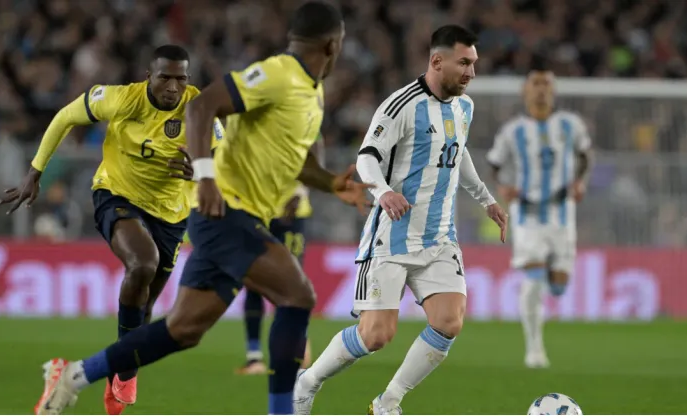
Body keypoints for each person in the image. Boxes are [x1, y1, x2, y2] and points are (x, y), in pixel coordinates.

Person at [33, 2, 371, 415]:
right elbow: (201, 106)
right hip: (225, 211)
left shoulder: (311, 95)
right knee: (297, 296)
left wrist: (333, 182)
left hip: (240, 218)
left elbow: (297, 163)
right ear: (334, 45)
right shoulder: (280, 74)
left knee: (183, 330)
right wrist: (206, 175)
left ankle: (74, 376)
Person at [294, 25, 509, 415]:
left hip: (440, 237)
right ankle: (307, 382)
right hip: (392, 238)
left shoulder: (465, 107)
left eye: (474, 64)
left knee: (449, 321)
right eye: (464, 63)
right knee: (376, 336)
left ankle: (388, 401)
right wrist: (383, 191)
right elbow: (366, 157)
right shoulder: (400, 105)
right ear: (436, 61)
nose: (471, 73)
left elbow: (458, 153)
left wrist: (487, 200)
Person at [0, 45, 222, 415]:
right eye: (164, 76)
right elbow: (64, 117)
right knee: (143, 264)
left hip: (171, 215)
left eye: (180, 78)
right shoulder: (119, 99)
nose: (172, 86)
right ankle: (123, 374)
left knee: (146, 305)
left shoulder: (200, 109)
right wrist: (34, 172)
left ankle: (96, 374)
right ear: (149, 75)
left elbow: (225, 155)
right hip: (117, 195)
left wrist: (204, 167)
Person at [485, 66, 593, 369]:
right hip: (527, 213)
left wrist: (580, 181)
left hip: (561, 213)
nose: (542, 89)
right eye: (536, 83)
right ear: (526, 91)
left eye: (547, 83)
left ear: (554, 90)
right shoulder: (512, 131)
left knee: (558, 286)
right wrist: (503, 186)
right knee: (533, 280)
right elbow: (494, 163)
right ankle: (534, 350)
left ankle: (551, 272)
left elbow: (585, 155)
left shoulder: (571, 125)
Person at [235, 135, 324, 375]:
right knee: (253, 280)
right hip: (258, 211)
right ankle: (254, 358)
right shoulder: (257, 117)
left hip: (291, 214)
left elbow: (317, 161)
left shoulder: (306, 116)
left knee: (291, 282)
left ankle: (296, 345)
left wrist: (300, 192)